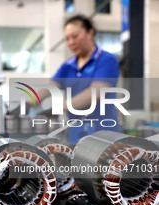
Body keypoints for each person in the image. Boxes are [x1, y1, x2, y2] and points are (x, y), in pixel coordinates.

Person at [34, 14, 120, 145]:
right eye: (67, 38)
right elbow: (50, 87)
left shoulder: (106, 60)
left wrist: (58, 108)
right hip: (76, 134)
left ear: (90, 33)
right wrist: (30, 102)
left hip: (104, 135)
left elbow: (95, 93)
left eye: (75, 36)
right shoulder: (68, 65)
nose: (71, 42)